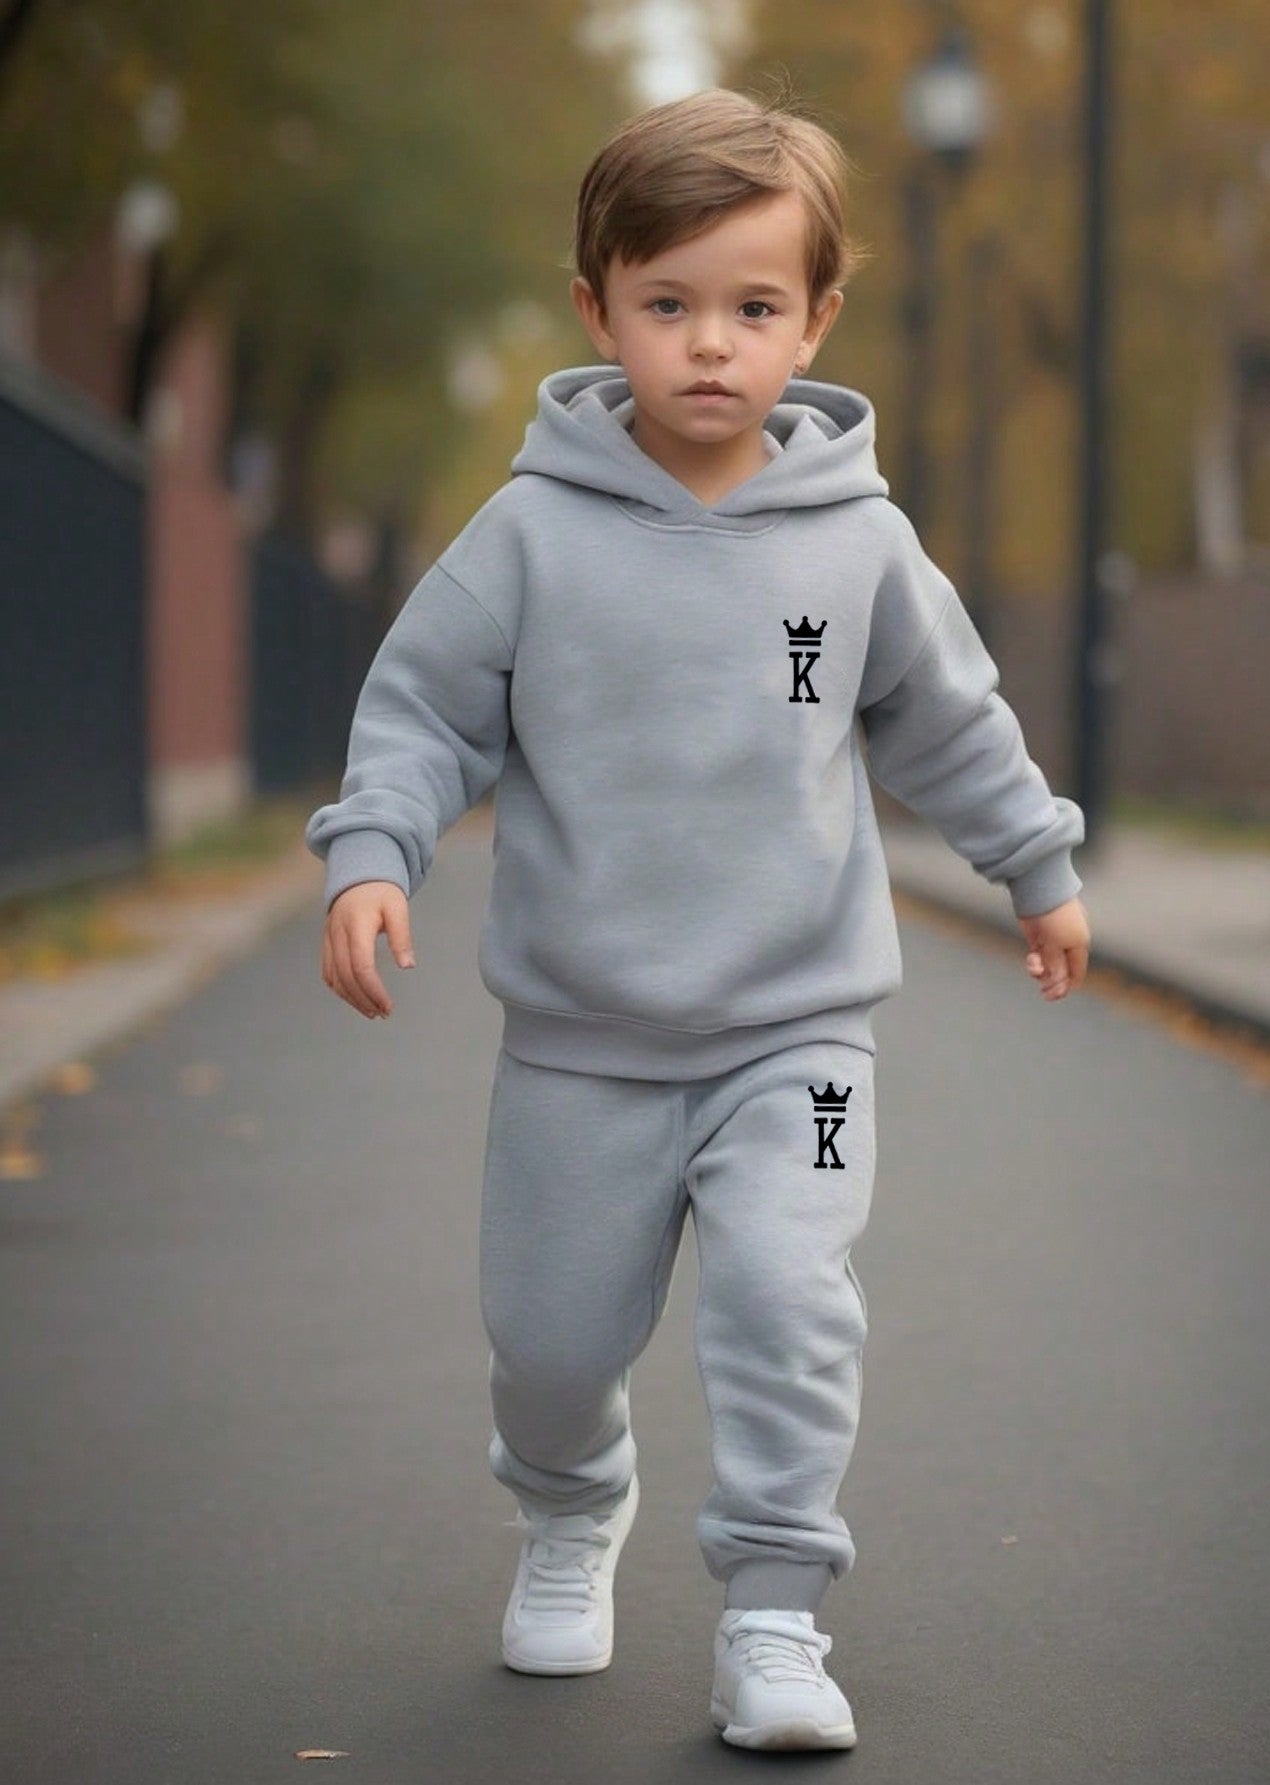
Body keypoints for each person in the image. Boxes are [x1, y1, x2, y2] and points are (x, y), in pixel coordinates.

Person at [305, 85, 1091, 1753]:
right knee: (549, 1338)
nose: (711, 346)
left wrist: (1038, 858)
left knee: (794, 1298)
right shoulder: (528, 534)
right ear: (598, 311)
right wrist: (375, 851)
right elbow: (423, 710)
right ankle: (574, 1506)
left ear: (813, 321)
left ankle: (776, 1616)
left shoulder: (861, 545)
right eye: (668, 304)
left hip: (796, 1035)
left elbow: (950, 719)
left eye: (752, 306)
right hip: (581, 1047)